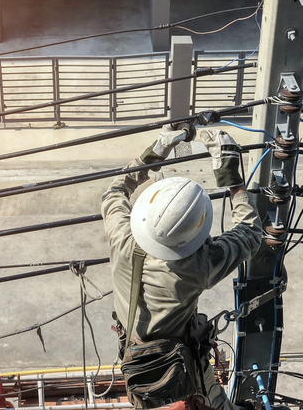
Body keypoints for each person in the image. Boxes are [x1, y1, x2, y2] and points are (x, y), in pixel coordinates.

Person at [100, 125, 263, 410]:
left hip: (136, 355)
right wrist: (232, 179)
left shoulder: (122, 237)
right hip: (180, 365)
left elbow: (115, 190)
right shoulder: (196, 267)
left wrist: (157, 150)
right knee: (214, 401)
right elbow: (250, 232)